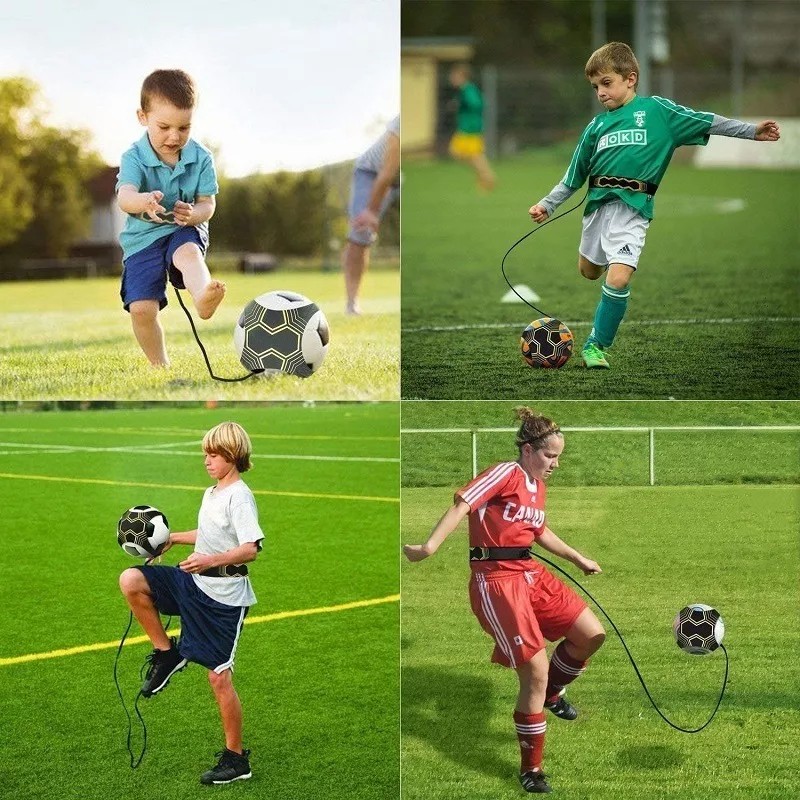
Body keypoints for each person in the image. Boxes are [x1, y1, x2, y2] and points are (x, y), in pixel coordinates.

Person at [528, 41, 781, 369]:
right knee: (589, 271)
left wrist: (750, 131)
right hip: (597, 211)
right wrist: (547, 205)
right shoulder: (596, 127)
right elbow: (573, 175)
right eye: (595, 87)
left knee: (617, 280)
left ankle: (596, 345)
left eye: (607, 83)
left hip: (634, 210)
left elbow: (706, 121)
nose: (600, 93)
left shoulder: (658, 112)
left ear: (630, 79)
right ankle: (609, 269)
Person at [403, 407, 605, 794]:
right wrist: (429, 547)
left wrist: (577, 558)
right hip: (496, 582)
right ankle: (532, 769)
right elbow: (463, 504)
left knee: (591, 635)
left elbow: (538, 530)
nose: (555, 464)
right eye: (550, 456)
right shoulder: (505, 472)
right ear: (528, 450)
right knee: (535, 669)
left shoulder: (537, 486)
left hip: (530, 574)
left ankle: (550, 693)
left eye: (559, 456)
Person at [118, 421, 264, 785]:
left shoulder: (239, 496)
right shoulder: (213, 492)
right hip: (192, 582)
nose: (207, 460)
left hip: (222, 599)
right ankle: (167, 653)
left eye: (214, 455)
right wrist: (175, 539)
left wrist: (209, 560)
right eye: (205, 454)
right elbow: (213, 533)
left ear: (234, 456)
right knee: (131, 579)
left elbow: (251, 548)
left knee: (218, 678)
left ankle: (236, 759)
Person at [116, 69, 226, 367]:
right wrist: (142, 200)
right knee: (141, 309)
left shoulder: (201, 157)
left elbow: (208, 205)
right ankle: (159, 364)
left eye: (184, 127)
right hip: (142, 239)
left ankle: (202, 297)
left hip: (182, 229)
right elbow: (124, 196)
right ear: (143, 117)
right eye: (164, 126)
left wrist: (193, 215)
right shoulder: (134, 157)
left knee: (188, 253)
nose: (174, 136)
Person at [343, 115, 400, 315]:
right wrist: (371, 211)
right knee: (361, 233)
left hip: (402, 177)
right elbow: (387, 173)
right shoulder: (401, 124)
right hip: (372, 172)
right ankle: (352, 304)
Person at [447, 63, 496, 191]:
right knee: (466, 154)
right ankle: (485, 176)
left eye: (454, 76)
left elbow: (477, 104)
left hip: (469, 128)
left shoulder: (467, 89)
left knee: (469, 154)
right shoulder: (466, 90)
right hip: (467, 127)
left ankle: (487, 177)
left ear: (461, 76)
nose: (452, 78)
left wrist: (460, 104)